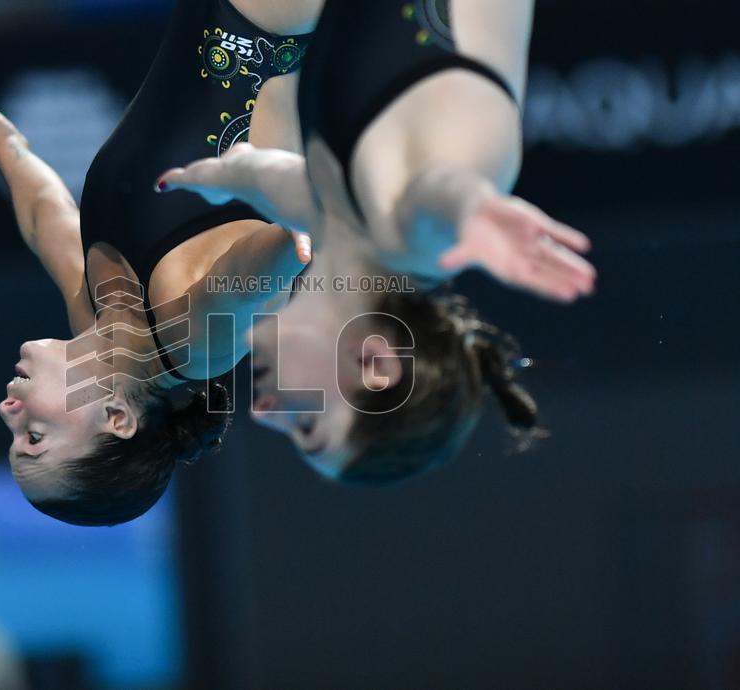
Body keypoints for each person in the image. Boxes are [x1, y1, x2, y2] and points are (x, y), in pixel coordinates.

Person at [158, 0, 598, 481]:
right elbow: (439, 193)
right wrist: (474, 208)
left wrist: (223, 178)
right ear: (374, 363)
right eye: (308, 424)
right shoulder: (412, 241)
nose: (265, 414)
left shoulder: (341, 223)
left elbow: (270, 180)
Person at [0, 0, 323, 526]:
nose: (8, 411)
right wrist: (292, 232)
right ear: (116, 418)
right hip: (270, 30)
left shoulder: (97, 322)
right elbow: (241, 287)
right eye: (33, 437)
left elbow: (46, 222)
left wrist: (7, 145)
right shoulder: (192, 345)